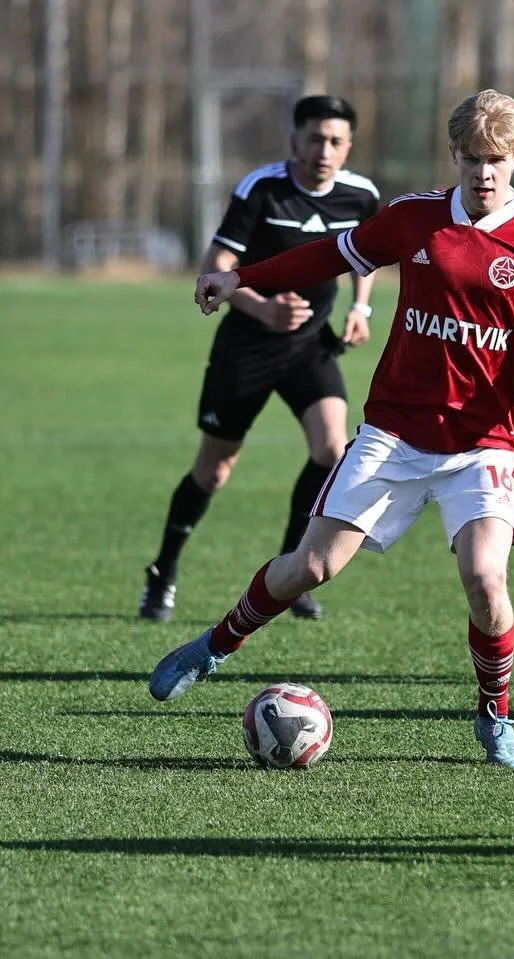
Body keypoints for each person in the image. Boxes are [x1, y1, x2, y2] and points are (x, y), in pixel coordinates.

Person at [147, 90, 514, 768]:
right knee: (310, 566)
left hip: (481, 446)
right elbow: (325, 257)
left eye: (496, 159)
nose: (483, 173)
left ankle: (494, 716)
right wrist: (239, 277)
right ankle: (213, 646)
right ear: (453, 155)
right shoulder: (415, 218)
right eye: (470, 159)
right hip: (394, 433)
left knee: (486, 580)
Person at [139, 95, 381, 623]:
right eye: (314, 138)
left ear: (348, 147)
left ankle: (293, 570)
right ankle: (163, 571)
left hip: (310, 348)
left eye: (336, 141)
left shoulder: (360, 195)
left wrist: (362, 306)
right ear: (294, 140)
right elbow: (215, 266)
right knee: (215, 470)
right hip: (246, 349)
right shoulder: (262, 189)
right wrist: (261, 307)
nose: (324, 150)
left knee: (332, 448)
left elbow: (366, 254)